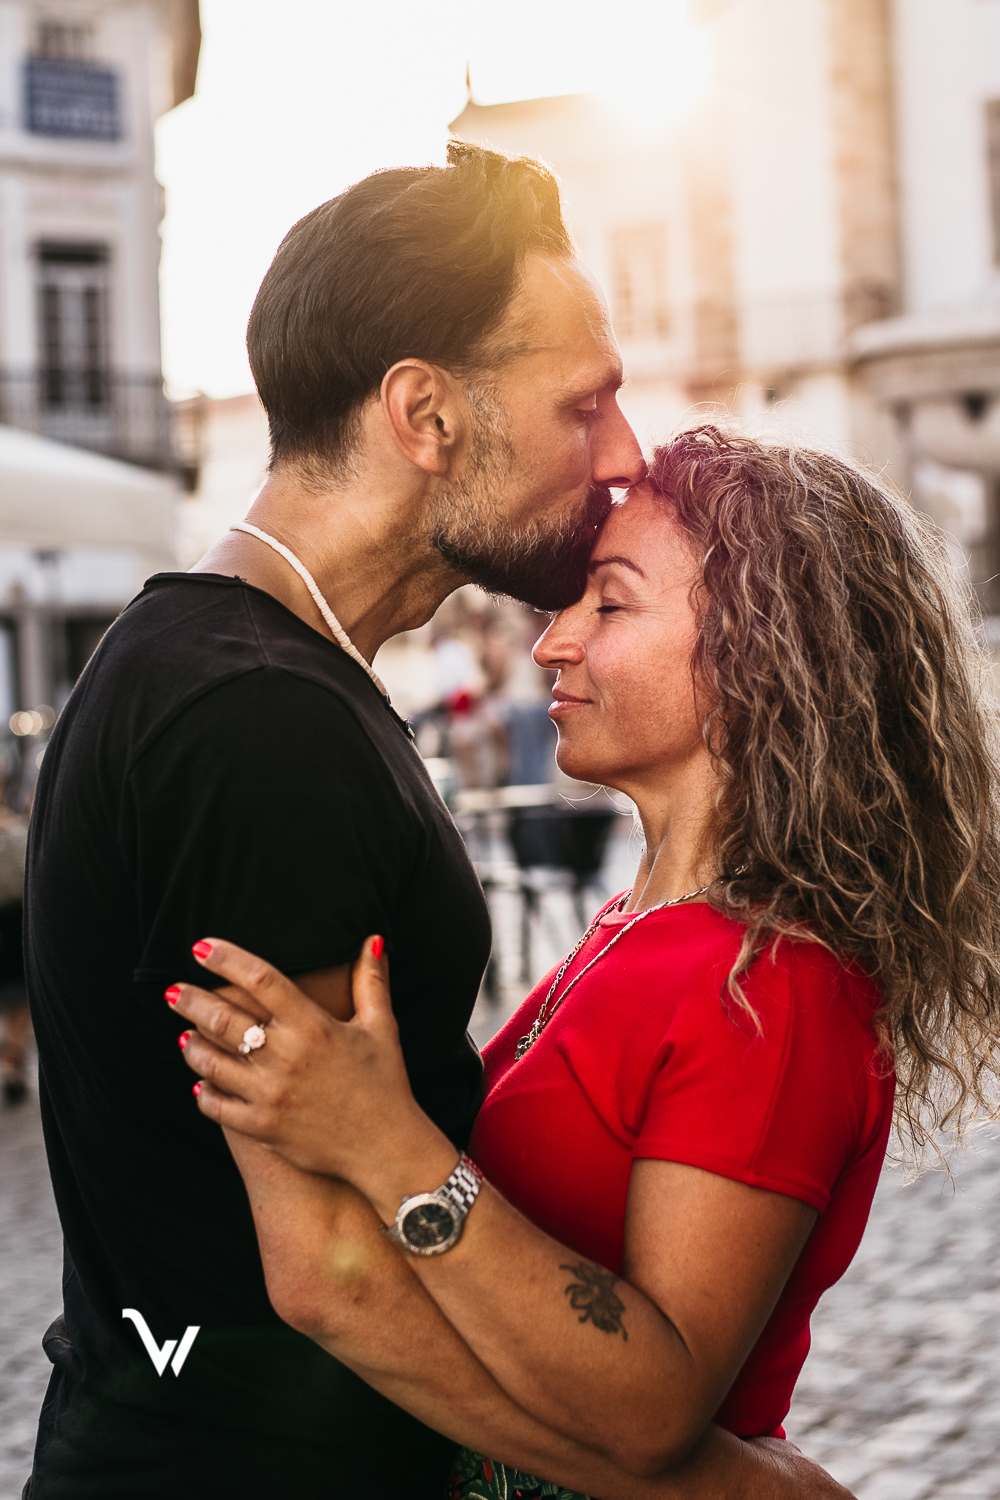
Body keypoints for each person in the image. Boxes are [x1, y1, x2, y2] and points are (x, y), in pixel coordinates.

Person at [166, 427, 1000, 1500]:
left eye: (609, 604)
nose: (551, 643)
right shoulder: (645, 927)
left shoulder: (773, 989)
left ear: (765, 649)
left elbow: (650, 1408)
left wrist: (380, 1142)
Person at [23, 142, 644, 1500]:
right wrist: (697, 1481)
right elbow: (334, 1276)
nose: (623, 455)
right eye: (583, 406)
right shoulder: (253, 720)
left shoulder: (241, 674)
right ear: (424, 415)